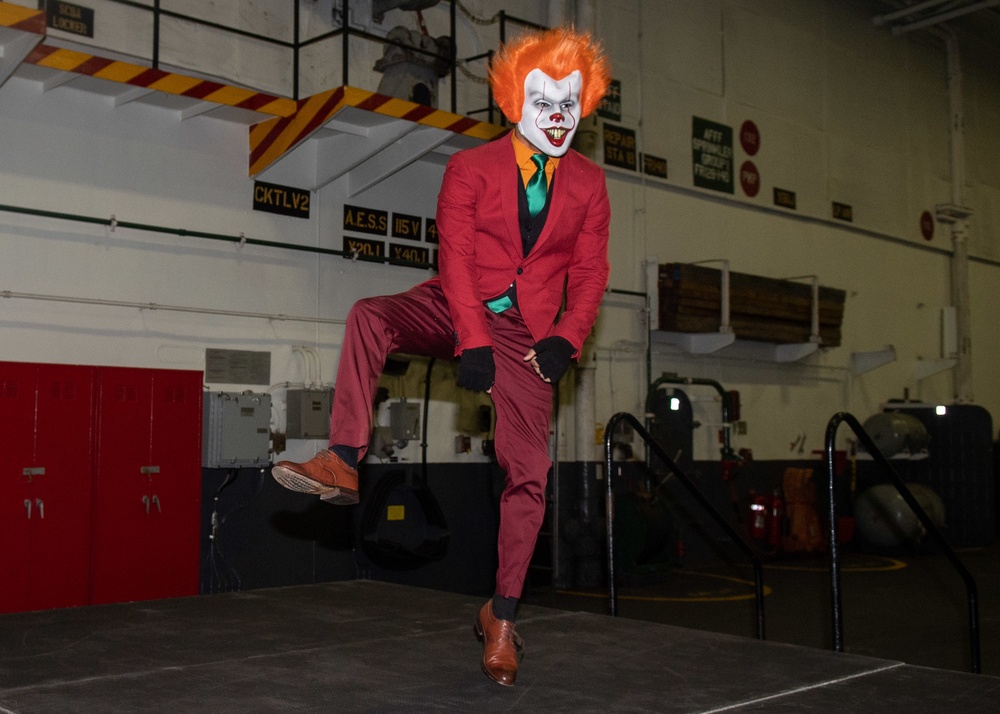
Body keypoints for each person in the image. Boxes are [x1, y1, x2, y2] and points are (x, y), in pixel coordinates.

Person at [272, 26, 612, 687]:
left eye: (570, 103)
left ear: (585, 105)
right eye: (544, 101)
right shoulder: (470, 169)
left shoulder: (590, 186)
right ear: (516, 100)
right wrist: (472, 339)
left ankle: (503, 617)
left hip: (529, 338)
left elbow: (593, 271)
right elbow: (453, 258)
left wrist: (567, 337)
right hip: (456, 303)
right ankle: (343, 460)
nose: (558, 118)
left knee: (531, 471)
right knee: (370, 316)